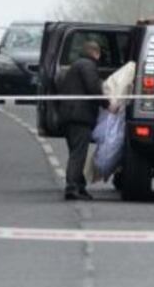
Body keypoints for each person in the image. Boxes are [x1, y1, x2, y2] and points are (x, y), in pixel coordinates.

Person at [56, 40, 107, 201]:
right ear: (95, 53)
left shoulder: (75, 65)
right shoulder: (87, 66)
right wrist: (108, 104)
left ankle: (80, 186)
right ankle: (72, 188)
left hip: (68, 115)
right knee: (78, 154)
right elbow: (93, 88)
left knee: (76, 152)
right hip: (80, 117)